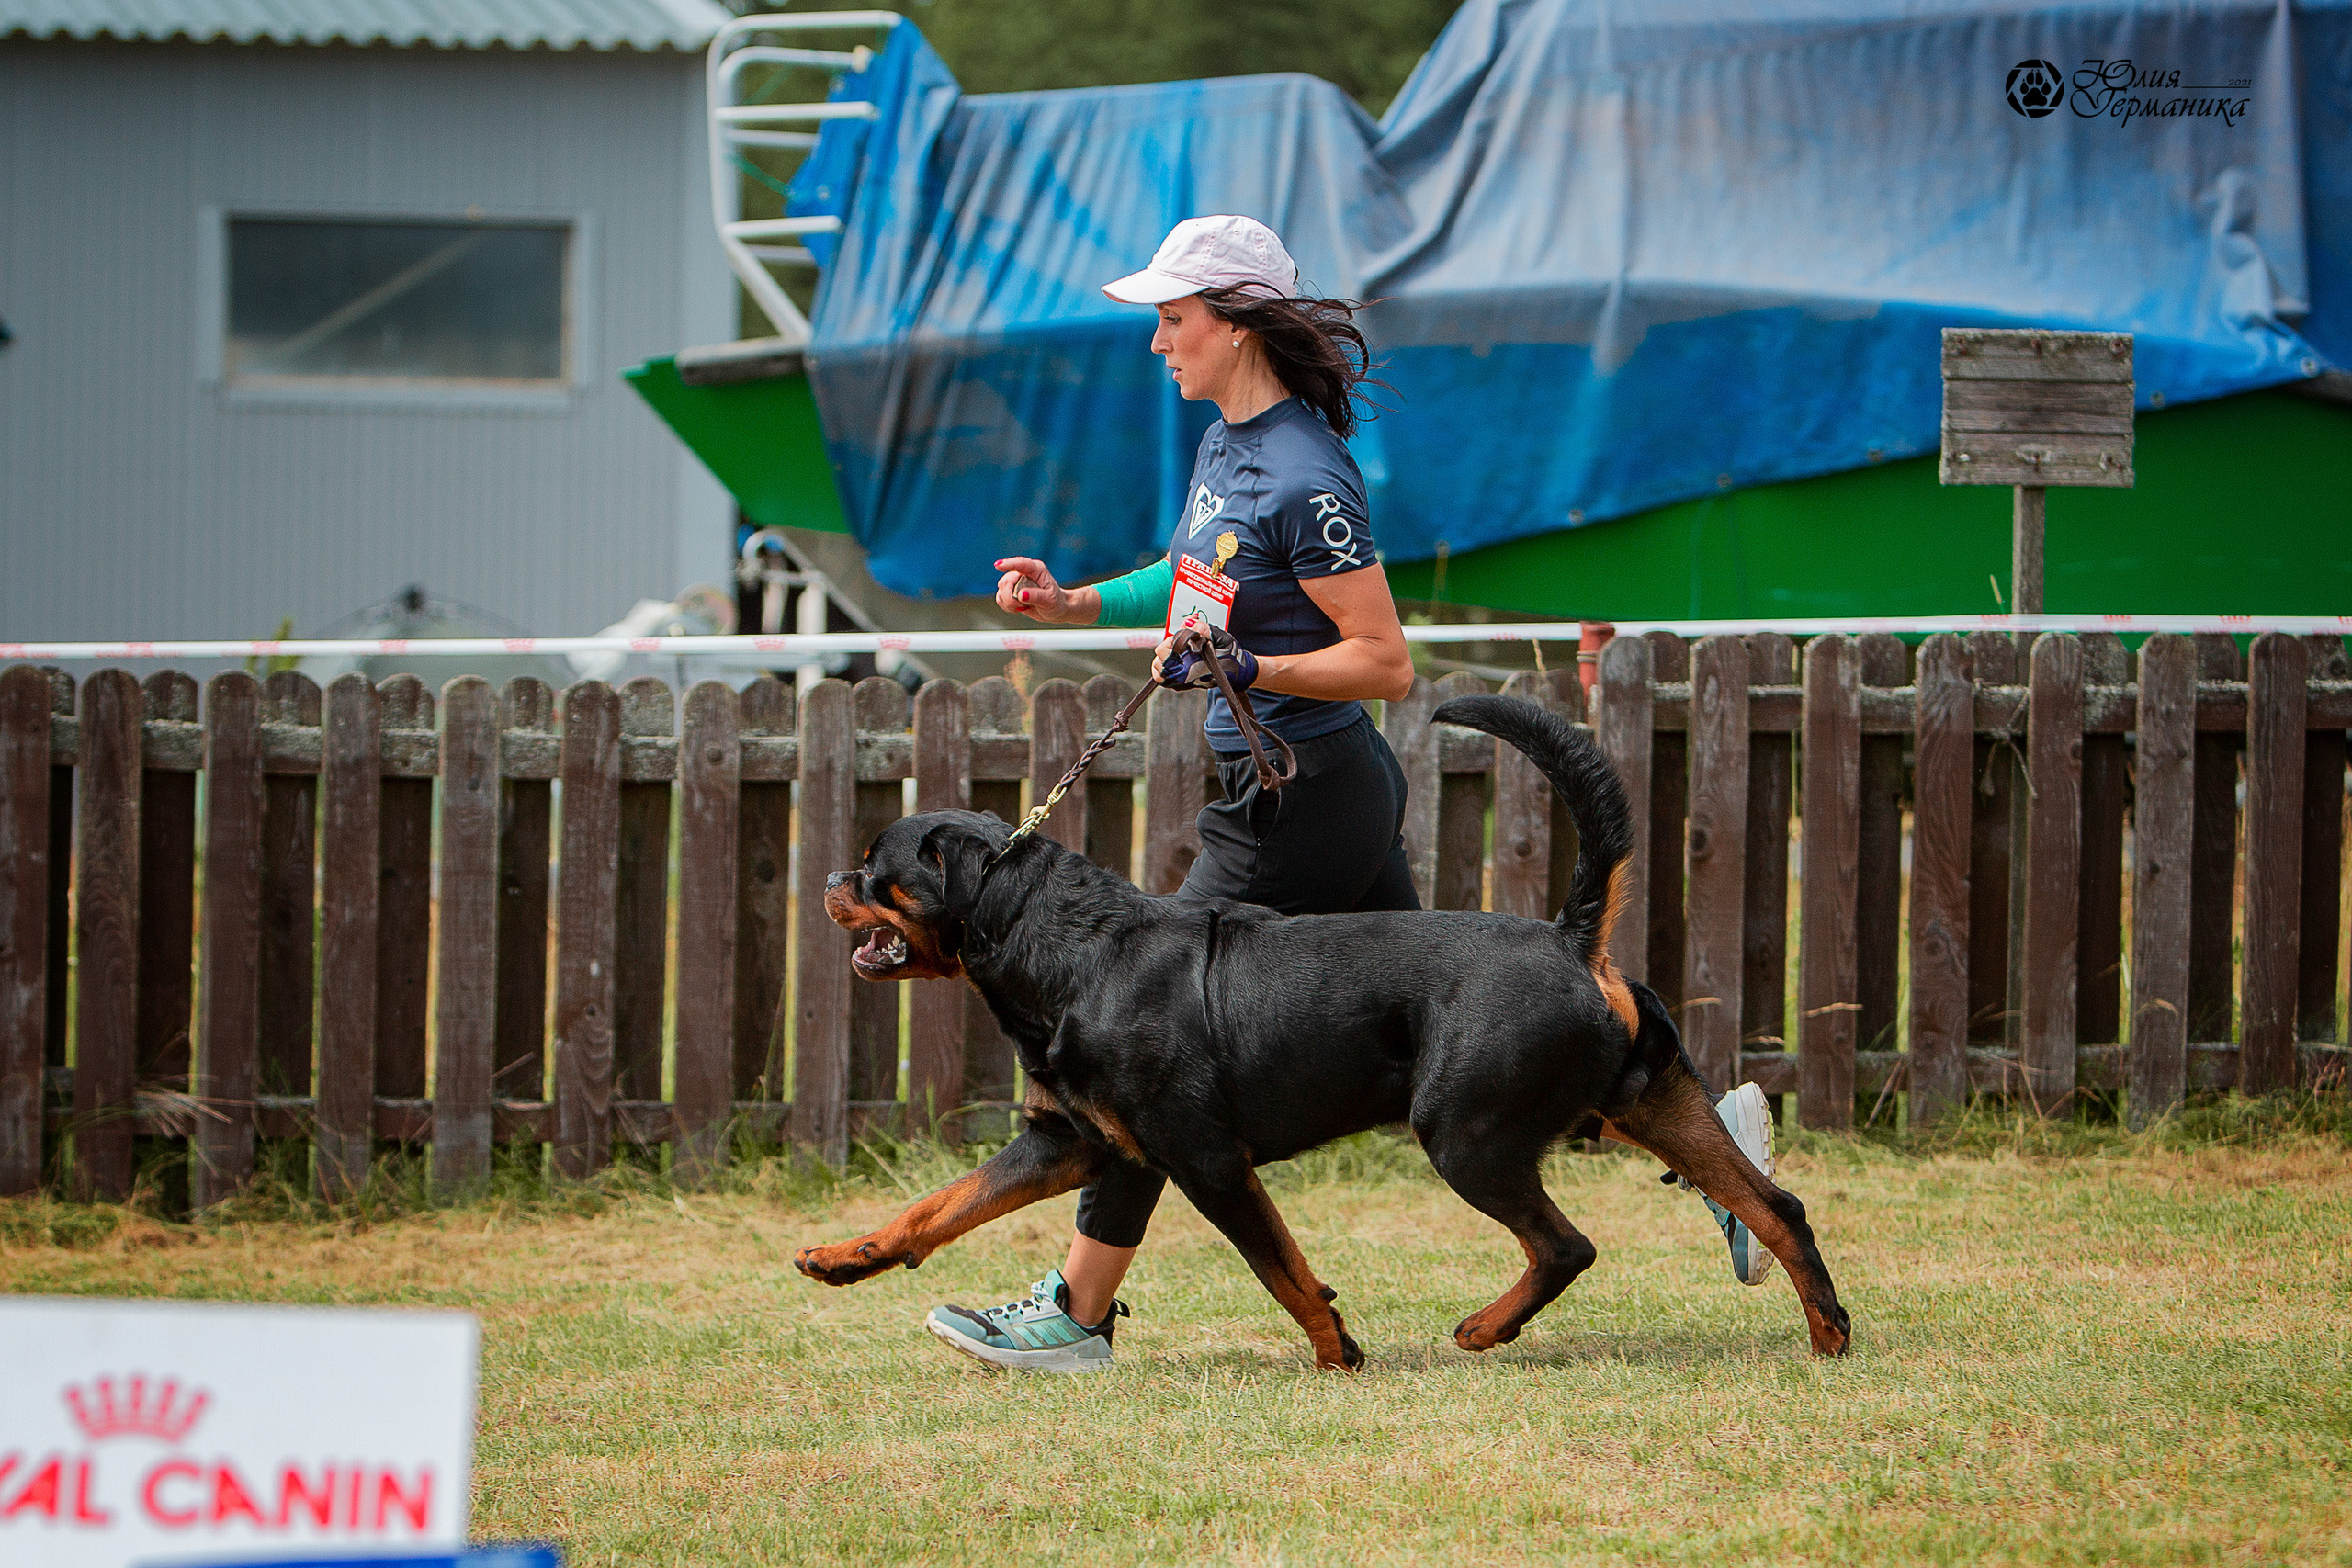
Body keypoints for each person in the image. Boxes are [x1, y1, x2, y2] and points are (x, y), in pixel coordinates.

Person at [921, 216, 1777, 1374]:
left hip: (1301, 792)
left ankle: (1075, 1316)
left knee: (1138, 1045)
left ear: (1236, 324)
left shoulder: (1306, 474)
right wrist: (1076, 603)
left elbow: (1384, 662)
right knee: (1473, 1042)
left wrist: (1247, 667)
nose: (1158, 342)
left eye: (1173, 320)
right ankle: (1717, 1152)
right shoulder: (1225, 444)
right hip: (1309, 784)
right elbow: (1196, 576)